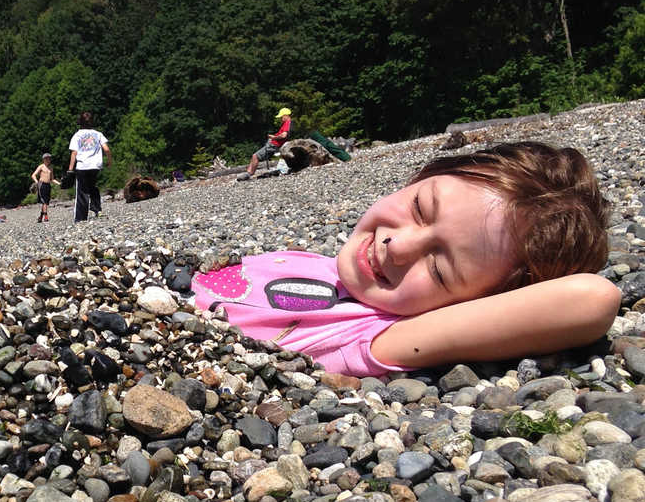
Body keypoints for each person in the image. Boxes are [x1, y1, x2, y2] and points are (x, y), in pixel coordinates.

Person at [194, 142, 620, 377]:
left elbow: (593, 299)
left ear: (470, 307)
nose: (400, 245)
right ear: (420, 178)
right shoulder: (312, 262)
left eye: (438, 268)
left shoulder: (376, 335)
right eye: (421, 207)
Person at [68, 111, 112, 222]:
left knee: (82, 192)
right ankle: (97, 209)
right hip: (95, 166)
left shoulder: (77, 135)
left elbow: (74, 153)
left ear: (80, 122)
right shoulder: (98, 134)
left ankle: (81, 217)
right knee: (93, 187)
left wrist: (70, 169)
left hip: (82, 166)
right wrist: (109, 162)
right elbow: (106, 149)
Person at [237, 107, 292, 181]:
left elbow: (284, 135)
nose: (280, 119)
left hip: (273, 145)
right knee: (256, 156)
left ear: (286, 115)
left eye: (281, 117)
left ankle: (249, 174)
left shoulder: (287, 123)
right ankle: (248, 173)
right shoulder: (289, 123)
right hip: (275, 145)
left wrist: (273, 137)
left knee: (255, 156)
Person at [31, 153, 61, 222]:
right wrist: (36, 182)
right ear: (43, 159)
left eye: (49, 158)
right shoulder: (41, 166)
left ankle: (41, 216)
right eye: (46, 158)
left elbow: (52, 179)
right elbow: (33, 175)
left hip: (48, 185)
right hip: (41, 184)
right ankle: (46, 216)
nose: (48, 160)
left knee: (46, 201)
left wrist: (59, 184)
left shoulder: (51, 167)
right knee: (44, 201)